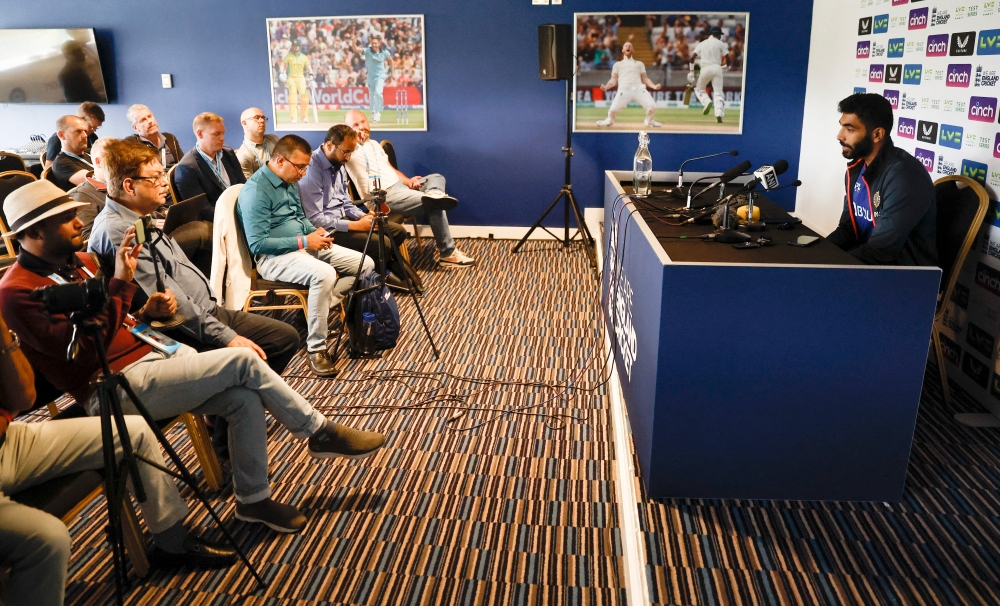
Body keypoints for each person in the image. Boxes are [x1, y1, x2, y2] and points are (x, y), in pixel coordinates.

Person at [0, 180, 386, 534]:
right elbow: (83, 353)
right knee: (243, 361)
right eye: (65, 218)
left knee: (243, 399)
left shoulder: (77, 265)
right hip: (111, 389)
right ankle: (318, 431)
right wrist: (118, 283)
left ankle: (253, 501)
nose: (77, 222)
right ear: (34, 233)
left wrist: (146, 311)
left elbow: (112, 319)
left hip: (153, 355)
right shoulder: (16, 290)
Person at [0, 312, 238, 606]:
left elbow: (24, 398)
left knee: (134, 431)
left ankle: (172, 542)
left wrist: (4, 338)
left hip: (9, 439)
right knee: (47, 539)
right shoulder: (13, 287)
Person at [238, 135, 374, 377]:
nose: (303, 173)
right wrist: (304, 240)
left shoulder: (289, 180)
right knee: (324, 273)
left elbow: (300, 218)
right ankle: (316, 348)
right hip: (273, 259)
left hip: (303, 247)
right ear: (280, 160)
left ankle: (317, 306)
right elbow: (258, 245)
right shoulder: (256, 191)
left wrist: (314, 232)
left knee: (366, 264)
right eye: (299, 167)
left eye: (306, 167)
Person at [299, 124, 423, 294]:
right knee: (382, 243)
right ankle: (376, 282)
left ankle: (379, 274)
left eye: (351, 152)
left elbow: (346, 202)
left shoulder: (339, 163)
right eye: (346, 152)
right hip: (324, 231)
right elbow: (315, 219)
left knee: (397, 231)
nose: (348, 158)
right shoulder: (311, 170)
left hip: (343, 222)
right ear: (329, 145)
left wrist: (364, 216)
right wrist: (356, 226)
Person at [344, 110, 476, 268]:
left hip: (400, 188)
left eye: (363, 122)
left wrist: (409, 182)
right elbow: (331, 145)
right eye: (355, 125)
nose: (361, 127)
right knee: (436, 204)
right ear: (348, 129)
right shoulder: (347, 149)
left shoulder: (374, 145)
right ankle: (448, 253)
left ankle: (435, 193)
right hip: (383, 198)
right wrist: (349, 139)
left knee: (436, 178)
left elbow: (390, 169)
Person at [827, 93, 937, 266]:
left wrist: (829, 265)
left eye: (849, 129)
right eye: (842, 127)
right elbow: (847, 230)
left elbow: (880, 251)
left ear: (877, 134)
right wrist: (817, 254)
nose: (840, 136)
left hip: (902, 276)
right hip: (869, 262)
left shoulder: (905, 176)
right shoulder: (856, 168)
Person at [173, 112, 247, 221]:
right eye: (216, 134)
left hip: (242, 211)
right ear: (200, 134)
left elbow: (243, 185)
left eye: (223, 133)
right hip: (218, 222)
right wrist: (236, 218)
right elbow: (202, 211)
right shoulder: (187, 168)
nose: (222, 138)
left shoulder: (228, 153)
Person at [595, 39, 662, 128]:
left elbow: (645, 78)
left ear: (633, 50)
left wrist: (654, 86)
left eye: (630, 46)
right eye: (626, 45)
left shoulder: (639, 64)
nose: (628, 47)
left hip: (639, 89)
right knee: (613, 110)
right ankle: (609, 121)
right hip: (624, 90)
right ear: (623, 50)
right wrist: (606, 87)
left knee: (653, 107)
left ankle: (649, 121)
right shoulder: (617, 65)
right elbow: (613, 79)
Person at [66, 136, 113, 241]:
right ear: (98, 162)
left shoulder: (127, 184)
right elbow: (85, 239)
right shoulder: (83, 195)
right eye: (115, 159)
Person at [124, 104, 184, 171]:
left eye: (149, 116)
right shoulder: (132, 145)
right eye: (143, 120)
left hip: (174, 179)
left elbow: (183, 165)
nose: (149, 121)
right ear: (136, 128)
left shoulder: (170, 138)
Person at [45, 102, 103, 169]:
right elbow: (48, 169)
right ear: (81, 120)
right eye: (91, 127)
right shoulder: (56, 140)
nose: (94, 130)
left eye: (97, 127)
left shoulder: (93, 136)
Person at [689, 26, 729, 123]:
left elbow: (692, 58)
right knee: (718, 92)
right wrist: (726, 67)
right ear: (718, 35)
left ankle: (707, 102)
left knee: (699, 89)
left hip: (705, 69)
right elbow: (728, 58)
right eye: (720, 35)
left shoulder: (702, 43)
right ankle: (719, 113)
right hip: (717, 68)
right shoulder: (720, 43)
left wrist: (691, 72)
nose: (720, 37)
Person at [48, 115, 95, 192]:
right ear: (62, 135)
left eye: (85, 131)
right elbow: (96, 183)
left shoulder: (91, 152)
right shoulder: (61, 163)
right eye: (78, 131)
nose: (85, 135)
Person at [355, 34, 391, 123]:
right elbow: (356, 49)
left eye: (376, 43)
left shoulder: (384, 52)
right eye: (373, 43)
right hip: (370, 77)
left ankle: (378, 112)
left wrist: (393, 73)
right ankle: (373, 112)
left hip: (380, 76)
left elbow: (391, 60)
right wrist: (353, 42)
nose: (374, 45)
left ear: (379, 43)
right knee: (372, 96)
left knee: (378, 93)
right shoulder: (367, 51)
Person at [236, 107, 279, 179]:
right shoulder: (243, 155)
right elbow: (249, 186)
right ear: (245, 123)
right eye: (256, 117)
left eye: (263, 117)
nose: (262, 120)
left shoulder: (274, 139)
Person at [283, 42, 312, 124]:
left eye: (297, 46)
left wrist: (311, 78)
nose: (296, 47)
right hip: (291, 79)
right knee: (292, 99)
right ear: (293, 47)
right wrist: (282, 73)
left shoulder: (304, 57)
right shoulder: (289, 56)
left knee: (304, 98)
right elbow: (284, 66)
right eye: (294, 46)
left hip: (301, 79)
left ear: (300, 47)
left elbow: (309, 68)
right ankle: (293, 118)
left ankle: (304, 117)